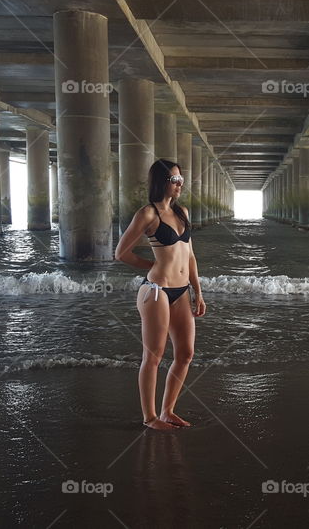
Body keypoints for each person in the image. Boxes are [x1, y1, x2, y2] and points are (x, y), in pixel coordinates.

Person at [115, 159, 206, 430]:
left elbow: (189, 256)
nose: (180, 184)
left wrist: (197, 292)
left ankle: (168, 411)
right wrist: (152, 266)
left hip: (181, 292)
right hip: (155, 291)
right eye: (174, 180)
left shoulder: (182, 213)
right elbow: (121, 253)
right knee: (154, 356)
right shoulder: (148, 214)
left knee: (186, 353)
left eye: (181, 179)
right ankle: (150, 418)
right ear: (161, 182)